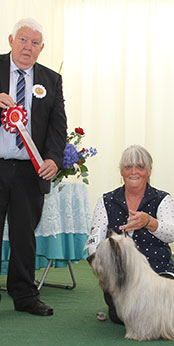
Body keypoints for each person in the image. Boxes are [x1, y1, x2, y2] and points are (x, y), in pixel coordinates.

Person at [0, 18, 67, 315]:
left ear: (42, 48)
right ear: (11, 39)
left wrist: (53, 158)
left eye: (35, 43)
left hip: (30, 170)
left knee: (24, 235)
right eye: (24, 40)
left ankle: (25, 296)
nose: (28, 47)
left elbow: (57, 126)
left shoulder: (51, 80)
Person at [86, 144, 174, 323]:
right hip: (119, 275)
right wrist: (102, 263)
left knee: (154, 316)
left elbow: (172, 234)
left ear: (149, 171)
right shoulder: (106, 200)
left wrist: (150, 222)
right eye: (128, 167)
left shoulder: (162, 199)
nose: (134, 171)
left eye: (140, 167)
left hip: (157, 271)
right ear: (121, 172)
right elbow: (93, 242)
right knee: (121, 318)